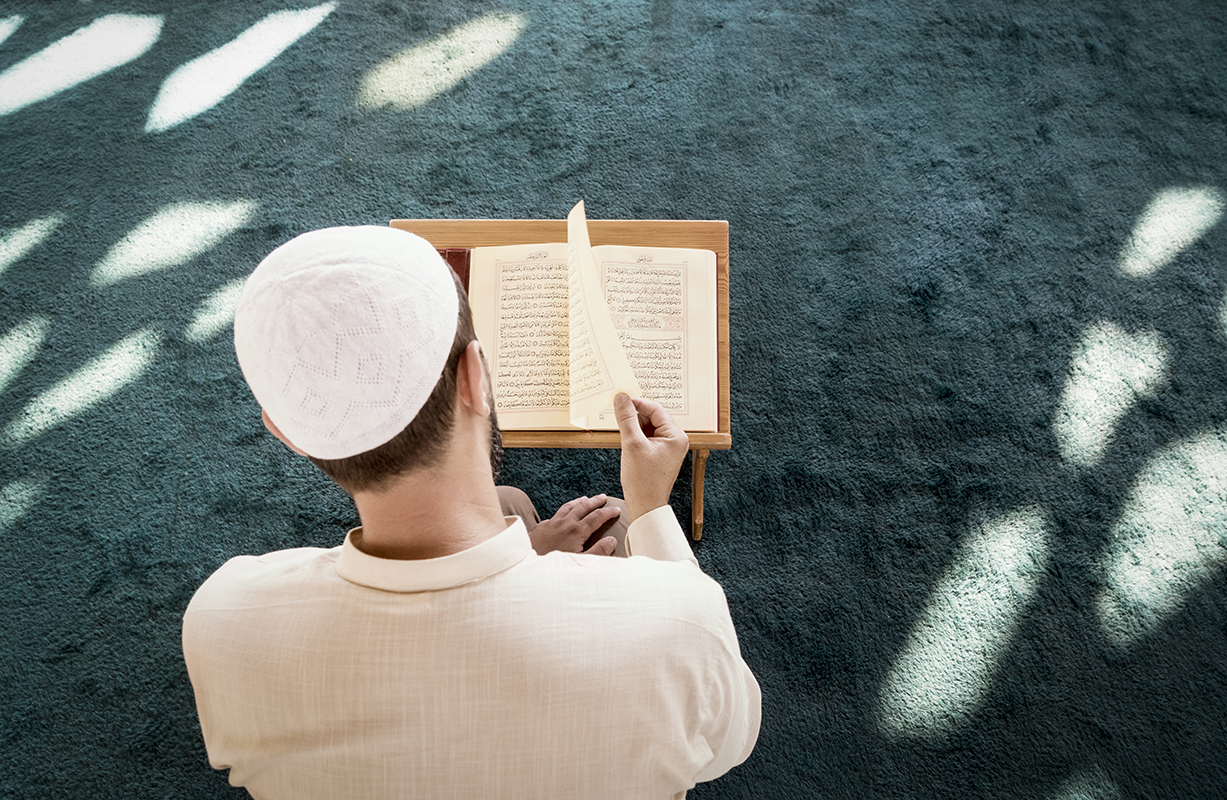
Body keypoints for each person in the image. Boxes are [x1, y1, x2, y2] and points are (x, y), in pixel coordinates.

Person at [182, 226, 761, 799]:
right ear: (477, 376)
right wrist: (652, 507)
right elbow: (730, 745)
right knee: (613, 514)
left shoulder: (221, 619)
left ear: (289, 434)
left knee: (511, 507)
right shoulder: (683, 622)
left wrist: (523, 557)